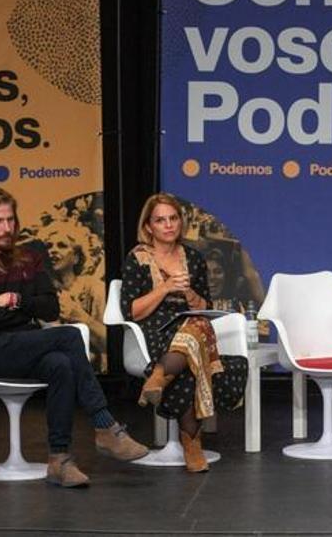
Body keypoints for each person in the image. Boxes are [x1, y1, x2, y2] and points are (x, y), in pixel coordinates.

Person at [0, 187, 147, 488]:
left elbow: (50, 306)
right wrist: (24, 306)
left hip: (28, 344)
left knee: (60, 365)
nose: (7, 228)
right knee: (67, 336)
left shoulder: (29, 258)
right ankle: (105, 425)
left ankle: (59, 459)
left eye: (11, 220)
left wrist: (15, 300)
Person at [120, 193, 249, 473]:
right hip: (153, 329)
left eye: (173, 218)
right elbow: (132, 311)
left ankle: (158, 379)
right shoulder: (138, 258)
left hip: (190, 322)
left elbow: (205, 306)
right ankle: (192, 442)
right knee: (193, 350)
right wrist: (165, 288)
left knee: (197, 326)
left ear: (181, 221)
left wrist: (189, 293)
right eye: (160, 220)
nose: (168, 225)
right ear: (148, 227)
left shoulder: (193, 257)